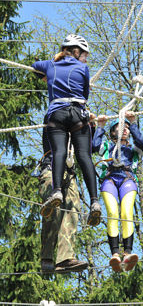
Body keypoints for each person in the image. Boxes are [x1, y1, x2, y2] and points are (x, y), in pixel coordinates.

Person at [33, 34, 100, 226]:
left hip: (57, 113)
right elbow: (85, 93)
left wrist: (51, 67)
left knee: (59, 152)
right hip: (78, 114)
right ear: (76, 51)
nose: (86, 58)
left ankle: (56, 191)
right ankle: (94, 202)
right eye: (84, 54)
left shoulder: (50, 65)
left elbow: (35, 67)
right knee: (84, 156)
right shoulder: (83, 68)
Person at [92, 111, 143, 272]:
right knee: (113, 213)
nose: (125, 129)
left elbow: (140, 142)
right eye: (121, 127)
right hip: (110, 179)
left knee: (127, 213)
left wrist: (133, 122)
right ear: (113, 132)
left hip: (127, 179)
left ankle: (127, 252)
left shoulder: (133, 149)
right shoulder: (107, 146)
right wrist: (100, 126)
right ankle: (115, 253)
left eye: (127, 128)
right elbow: (94, 146)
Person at [37, 116, 88, 273]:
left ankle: (65, 259)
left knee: (73, 211)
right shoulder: (54, 116)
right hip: (51, 170)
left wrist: (90, 125)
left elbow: (88, 146)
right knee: (54, 212)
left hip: (69, 173)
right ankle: (47, 257)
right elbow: (54, 116)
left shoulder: (76, 128)